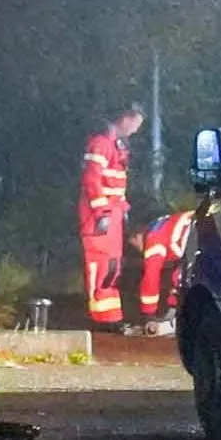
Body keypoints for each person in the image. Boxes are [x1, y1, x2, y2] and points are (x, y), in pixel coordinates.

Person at [78, 105, 144, 330]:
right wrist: (101, 212)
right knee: (100, 267)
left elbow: (116, 183)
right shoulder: (101, 144)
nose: (135, 130)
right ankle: (98, 319)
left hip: (112, 216)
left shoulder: (117, 146)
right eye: (135, 124)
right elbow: (92, 180)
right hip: (99, 220)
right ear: (125, 118)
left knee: (113, 267)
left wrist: (122, 208)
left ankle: (110, 318)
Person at [131, 210, 193, 334]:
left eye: (136, 246)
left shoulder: (153, 239)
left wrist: (149, 315)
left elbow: (151, 277)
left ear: (138, 235)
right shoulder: (161, 225)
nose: (139, 251)